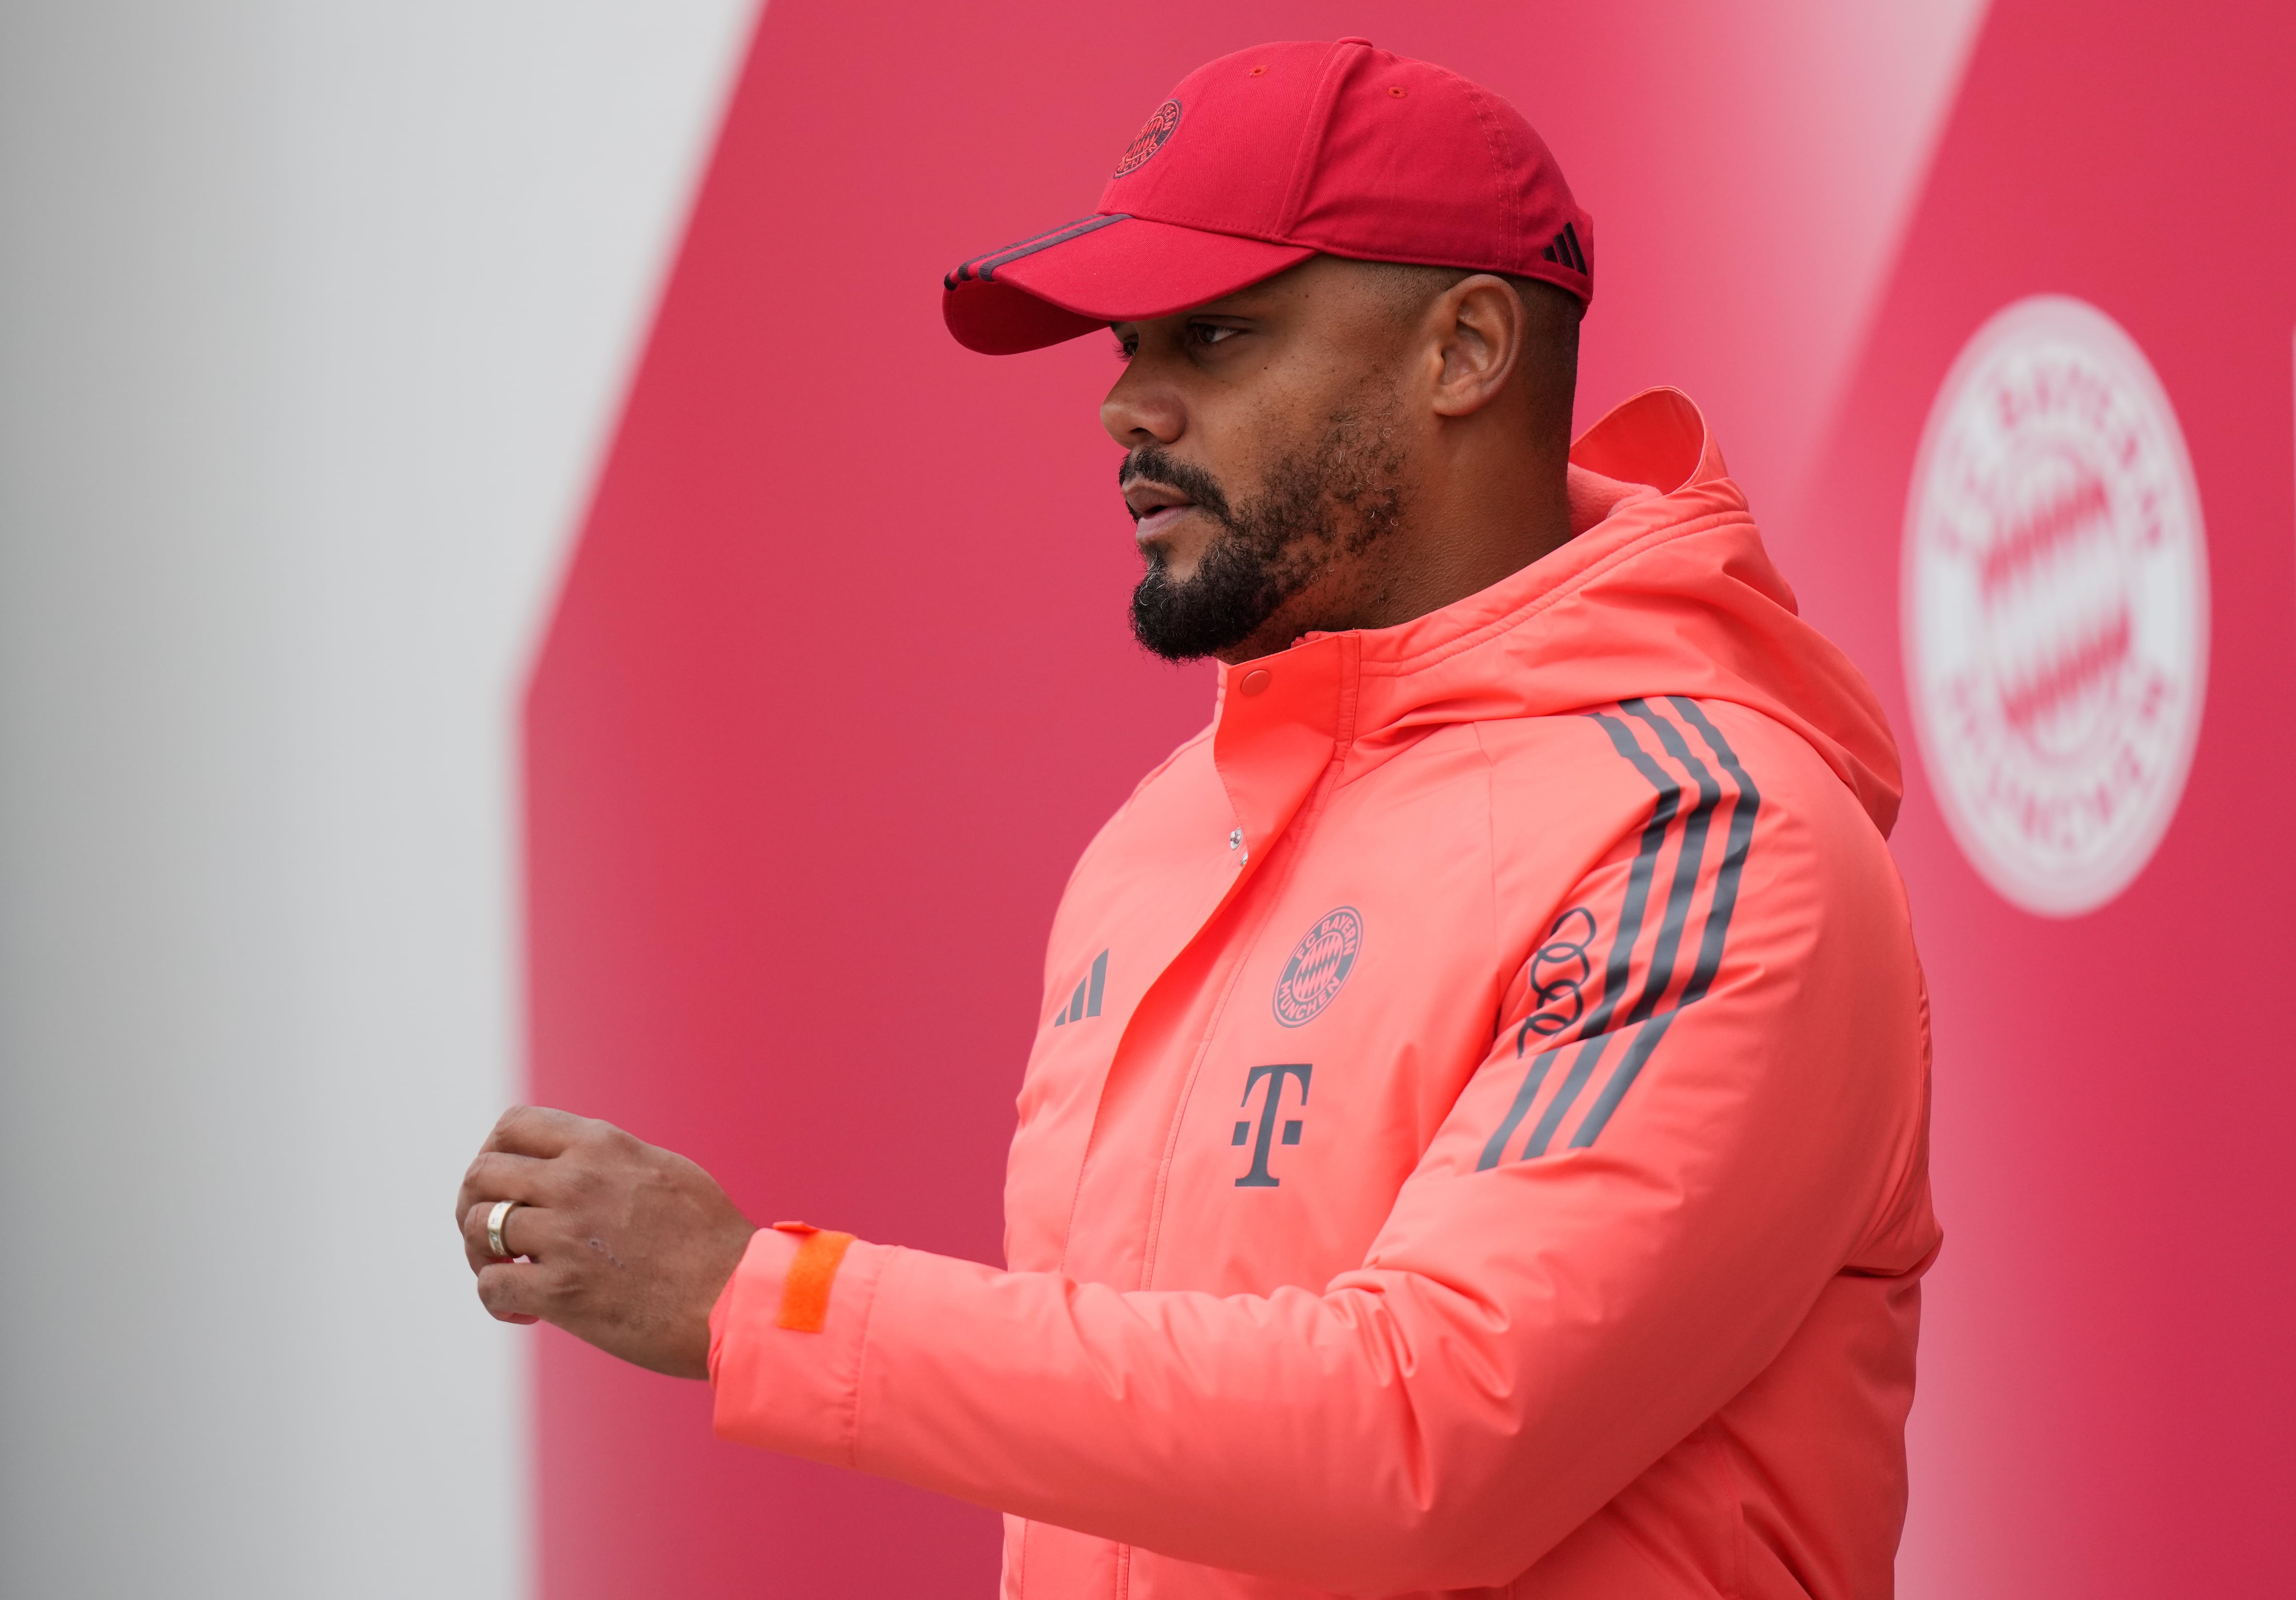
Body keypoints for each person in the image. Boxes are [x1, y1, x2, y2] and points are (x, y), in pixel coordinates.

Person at [456, 37, 1938, 1599]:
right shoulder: (1160, 844)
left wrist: (762, 1302)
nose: (1125, 411)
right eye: (1122, 346)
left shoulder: (1710, 841)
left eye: (1217, 335)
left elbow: (1420, 1437)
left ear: (1466, 349)